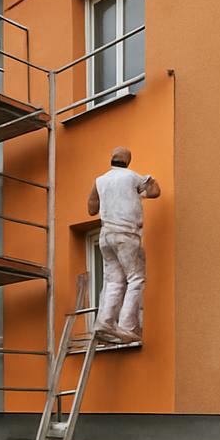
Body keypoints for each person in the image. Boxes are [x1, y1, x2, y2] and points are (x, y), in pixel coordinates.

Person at [87, 147, 161, 345]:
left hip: (105, 236)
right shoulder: (132, 177)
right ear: (128, 161)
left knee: (114, 281)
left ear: (111, 159)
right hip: (126, 234)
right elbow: (155, 192)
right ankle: (128, 327)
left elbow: (91, 209)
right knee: (136, 278)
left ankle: (105, 322)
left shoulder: (100, 180)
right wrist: (145, 188)